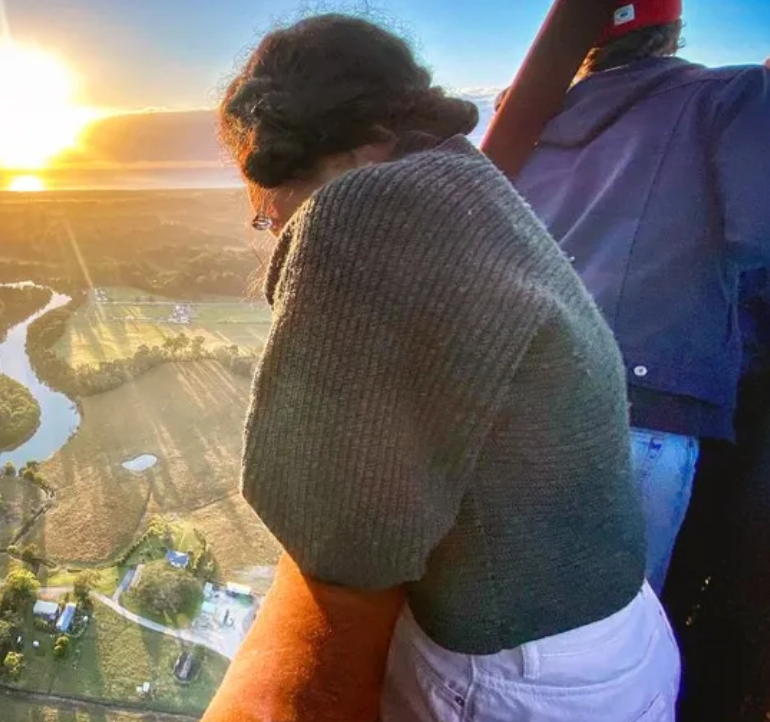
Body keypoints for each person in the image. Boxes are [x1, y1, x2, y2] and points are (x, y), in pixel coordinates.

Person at [202, 14, 679, 722]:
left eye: (268, 218)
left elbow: (335, 540)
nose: (275, 231)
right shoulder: (465, 178)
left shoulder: (362, 208)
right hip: (618, 645)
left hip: (513, 677)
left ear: (278, 152)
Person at [513, 0, 770, 593]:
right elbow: (758, 235)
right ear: (672, 34)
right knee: (610, 642)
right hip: (646, 408)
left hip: (516, 407)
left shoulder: (530, 123)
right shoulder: (730, 96)